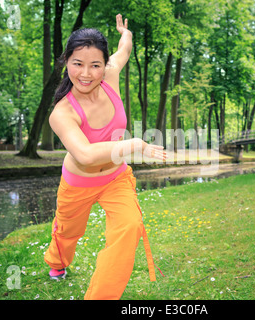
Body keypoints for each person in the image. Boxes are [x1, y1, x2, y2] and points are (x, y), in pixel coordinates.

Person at [43, 14, 166, 300]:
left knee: (129, 226)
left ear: (104, 65)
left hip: (115, 178)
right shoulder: (62, 113)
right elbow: (85, 154)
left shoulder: (111, 75)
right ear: (66, 62)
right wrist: (133, 144)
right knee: (67, 233)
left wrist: (126, 32)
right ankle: (56, 262)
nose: (86, 73)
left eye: (95, 65)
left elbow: (124, 48)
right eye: (78, 64)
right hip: (78, 183)